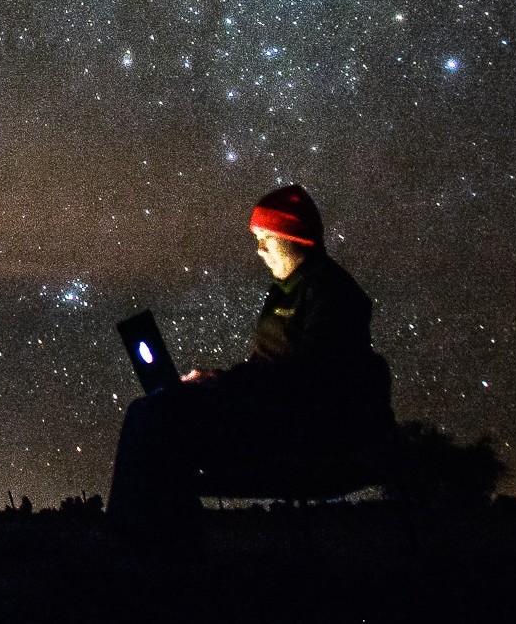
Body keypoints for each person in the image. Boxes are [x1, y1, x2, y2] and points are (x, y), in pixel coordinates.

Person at [106, 184, 395, 535]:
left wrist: (225, 387)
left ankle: (142, 542)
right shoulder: (284, 291)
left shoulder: (333, 294)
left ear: (294, 237)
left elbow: (305, 377)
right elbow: (268, 368)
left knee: (155, 417)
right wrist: (218, 379)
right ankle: (159, 539)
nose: (259, 250)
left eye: (266, 239)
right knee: (155, 410)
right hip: (269, 412)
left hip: (298, 426)